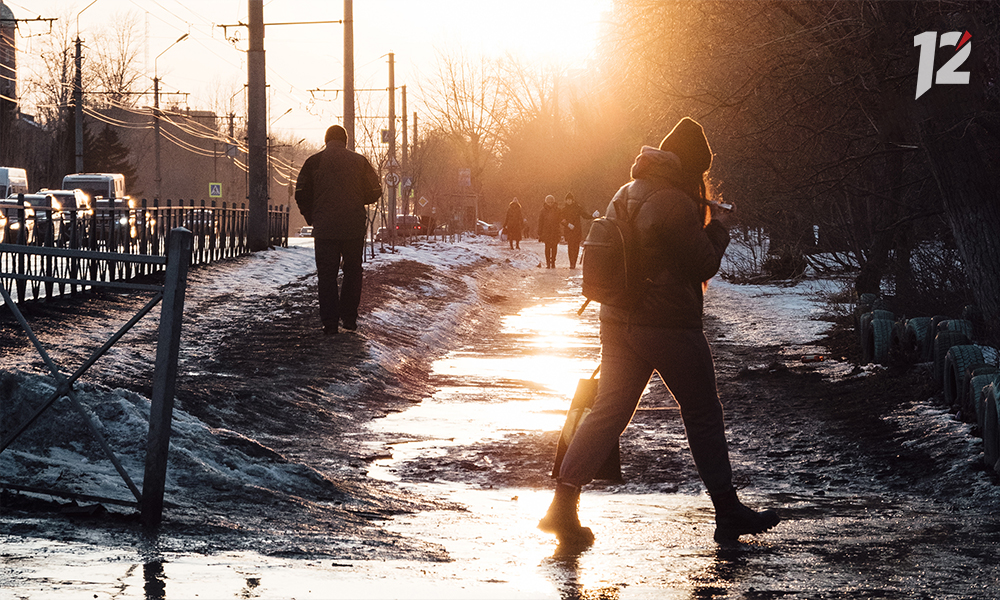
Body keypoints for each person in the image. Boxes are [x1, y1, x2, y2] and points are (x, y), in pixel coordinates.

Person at [538, 117, 780, 547]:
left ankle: (562, 506)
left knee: (608, 413)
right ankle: (727, 511)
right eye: (701, 171)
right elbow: (703, 263)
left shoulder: (626, 191)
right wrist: (719, 227)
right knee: (703, 410)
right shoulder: (673, 200)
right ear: (691, 166)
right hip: (666, 322)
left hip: (617, 320)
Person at [294, 125, 382, 335]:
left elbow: (300, 193)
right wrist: (359, 200)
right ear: (346, 141)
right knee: (353, 272)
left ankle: (330, 322)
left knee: (326, 275)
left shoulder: (313, 162)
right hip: (353, 227)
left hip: (324, 230)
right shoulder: (360, 162)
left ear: (326, 140)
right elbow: (376, 190)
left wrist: (313, 217)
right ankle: (349, 319)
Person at [559, 193, 594, 269]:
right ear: (566, 200)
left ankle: (574, 262)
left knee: (576, 247)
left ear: (572, 200)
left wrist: (592, 216)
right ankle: (571, 263)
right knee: (570, 247)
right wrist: (567, 224)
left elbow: (584, 215)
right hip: (568, 231)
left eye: (570, 200)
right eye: (567, 200)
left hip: (577, 230)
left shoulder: (578, 208)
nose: (569, 201)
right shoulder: (564, 209)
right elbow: (561, 219)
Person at [538, 195, 562, 268]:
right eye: (548, 202)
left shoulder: (558, 210)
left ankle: (553, 261)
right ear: (546, 202)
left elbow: (560, 220)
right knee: (547, 247)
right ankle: (548, 262)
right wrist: (539, 232)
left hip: (555, 231)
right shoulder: (543, 211)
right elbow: (540, 222)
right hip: (546, 232)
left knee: (554, 247)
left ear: (553, 202)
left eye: (551, 202)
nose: (550, 203)